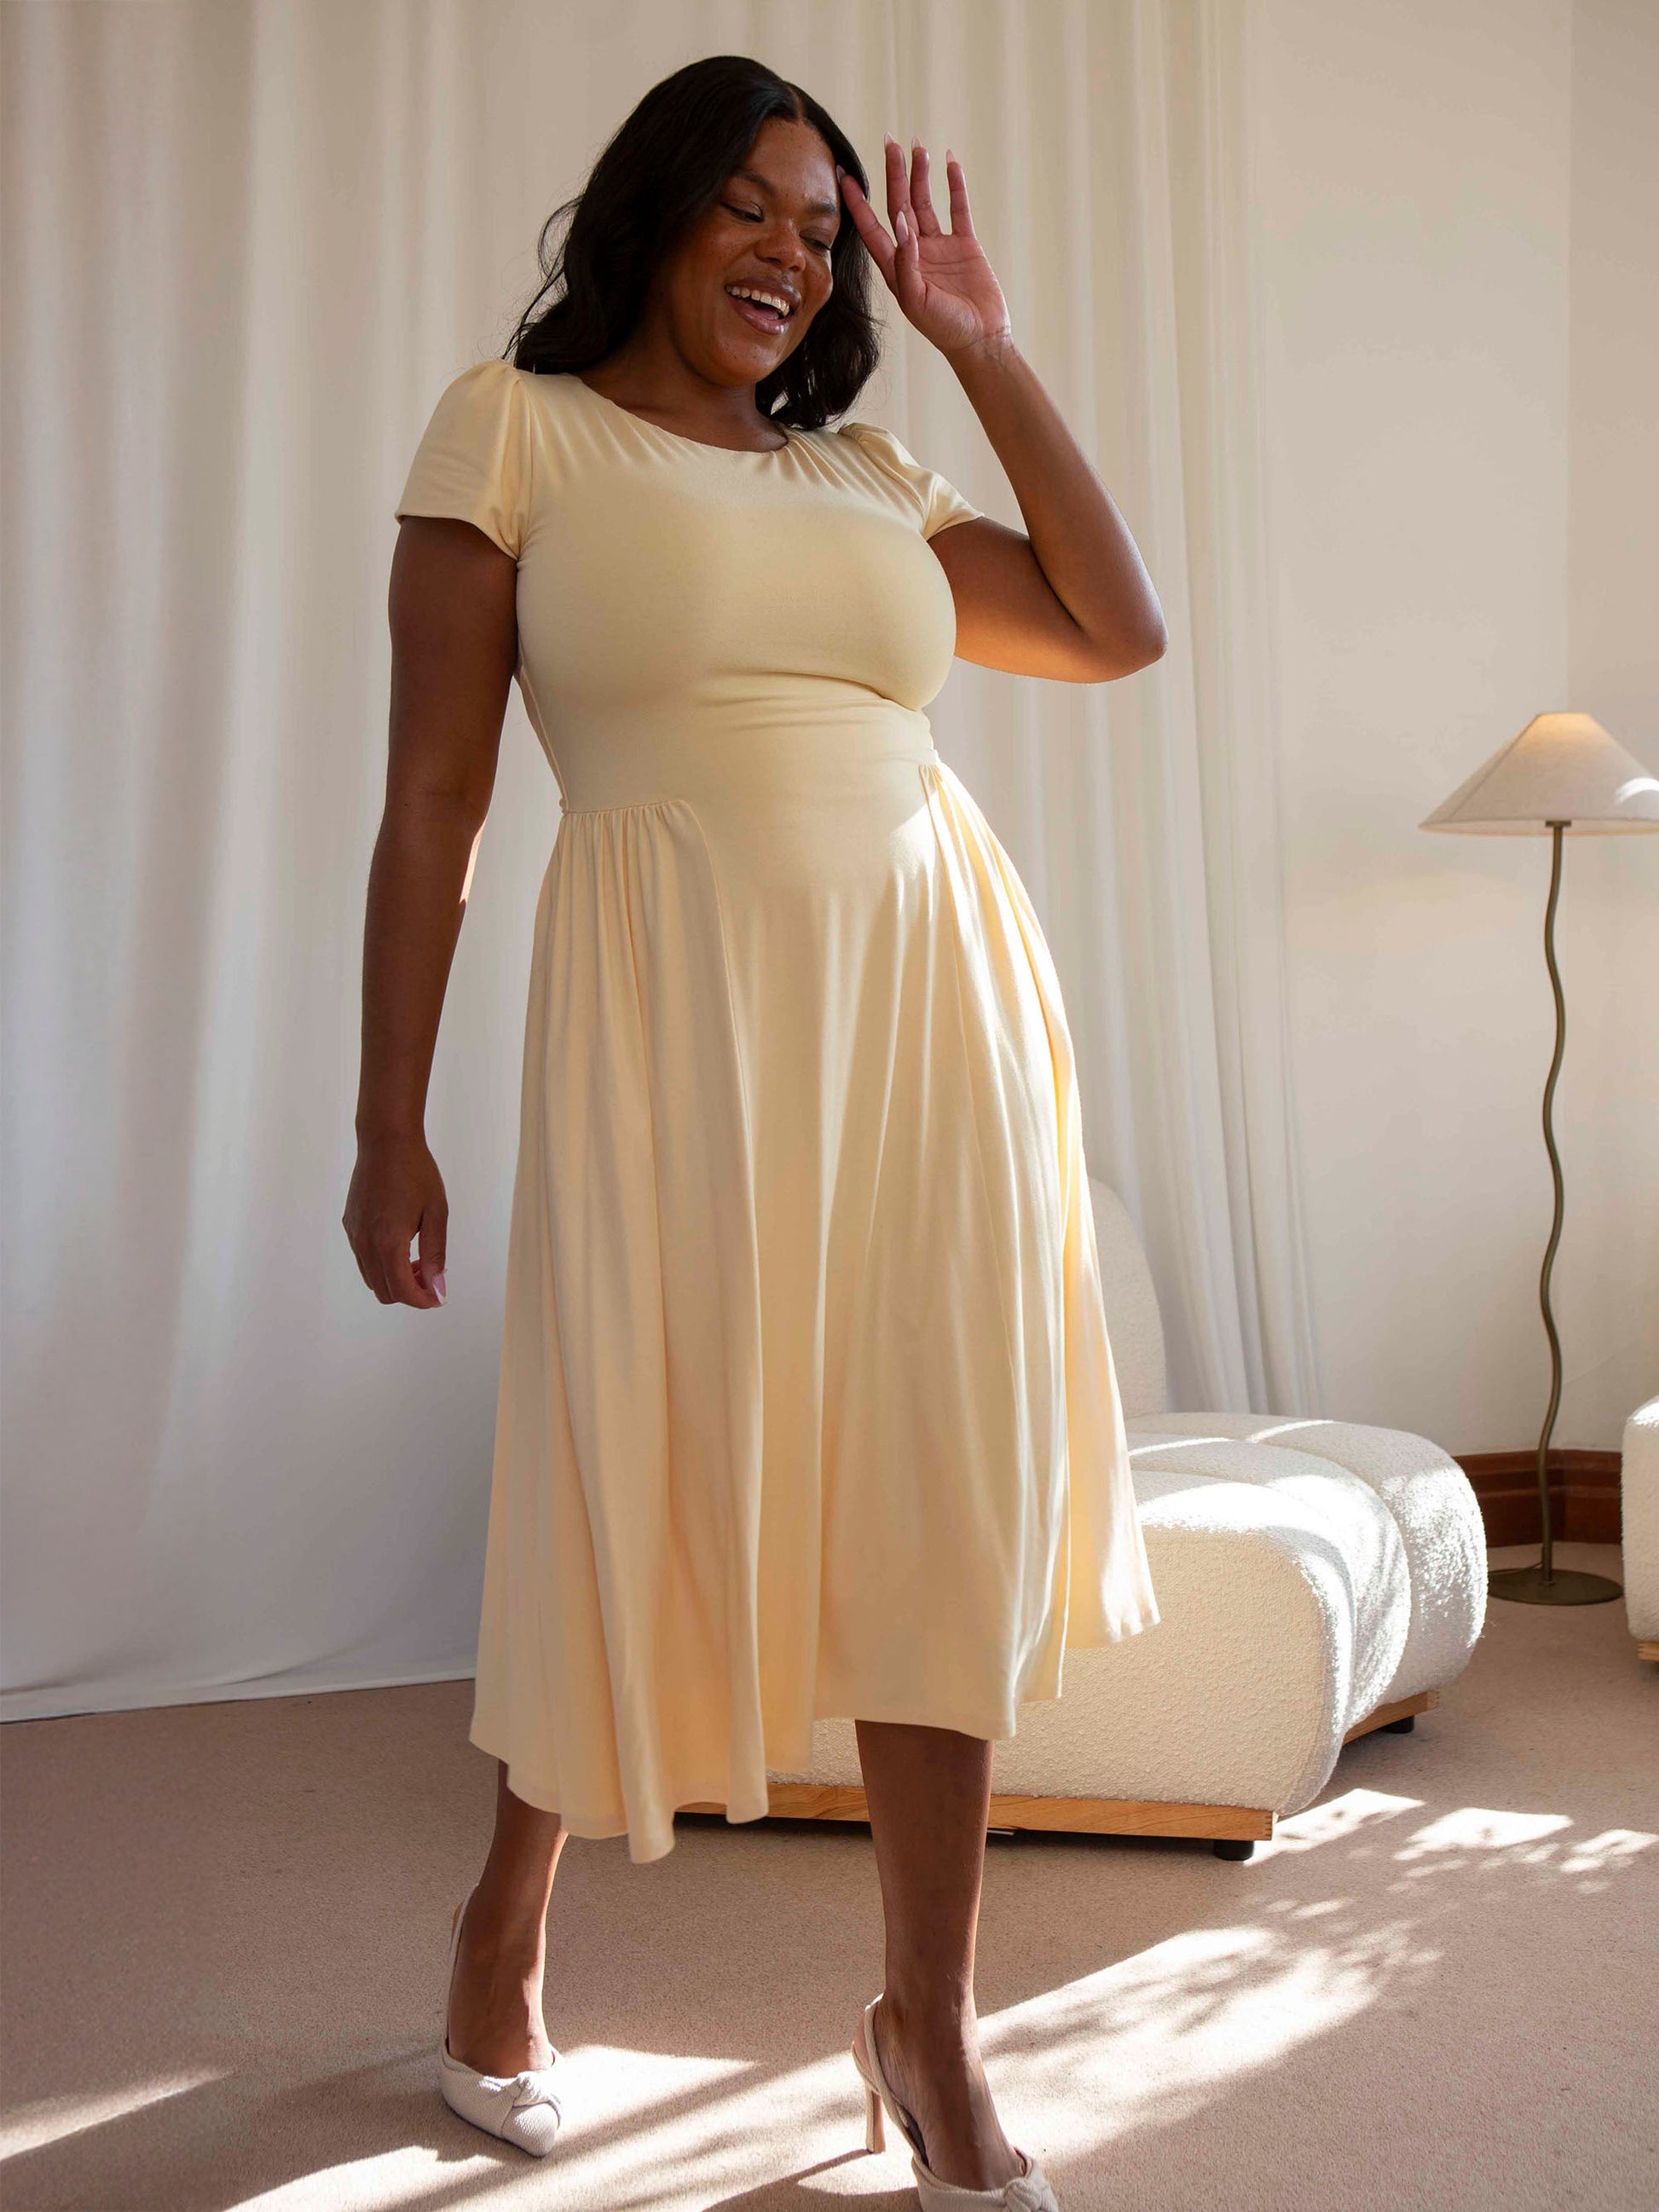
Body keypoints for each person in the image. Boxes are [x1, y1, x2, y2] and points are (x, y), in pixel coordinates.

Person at [344, 52, 1165, 2209]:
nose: (790, 258)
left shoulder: (871, 470)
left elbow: (1118, 628)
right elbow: (433, 799)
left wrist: (986, 352)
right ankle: (504, 1926)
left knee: (934, 1487)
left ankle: (933, 2029)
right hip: (672, 1019)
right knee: (636, 1453)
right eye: (750, 209)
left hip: (934, 1013)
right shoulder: (514, 432)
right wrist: (385, 1119)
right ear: (654, 209)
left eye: (824, 232)